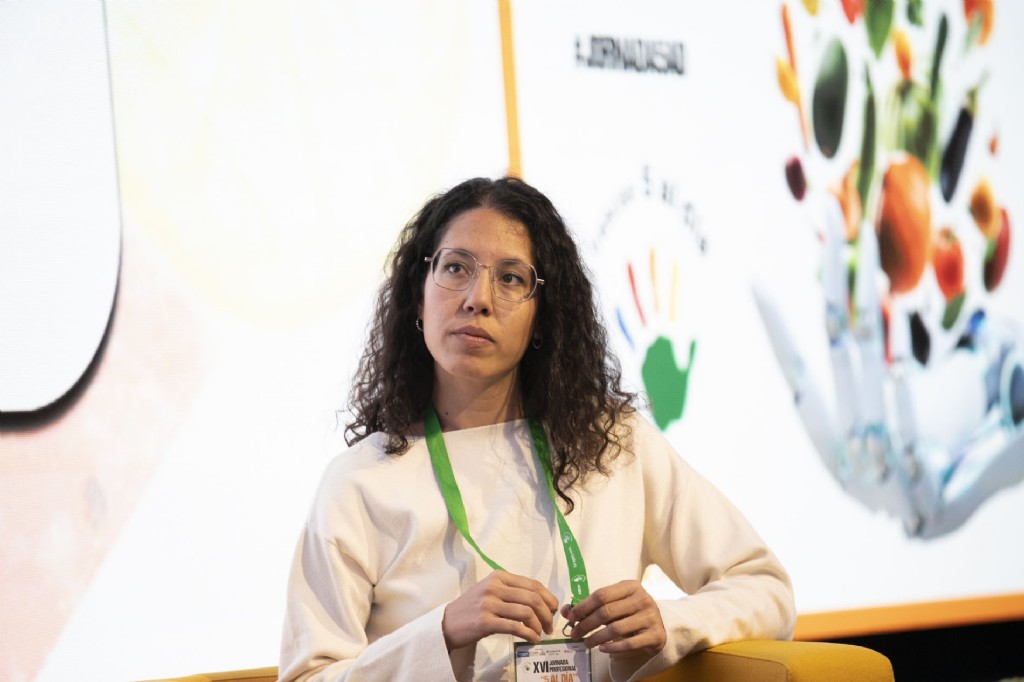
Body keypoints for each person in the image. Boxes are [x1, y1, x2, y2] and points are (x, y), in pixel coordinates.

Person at [279, 176, 796, 681]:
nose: (477, 298)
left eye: (510, 278)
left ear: (543, 317)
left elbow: (766, 590)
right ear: (419, 295)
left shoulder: (615, 443)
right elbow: (308, 675)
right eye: (455, 267)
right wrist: (443, 631)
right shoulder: (360, 481)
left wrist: (671, 623)